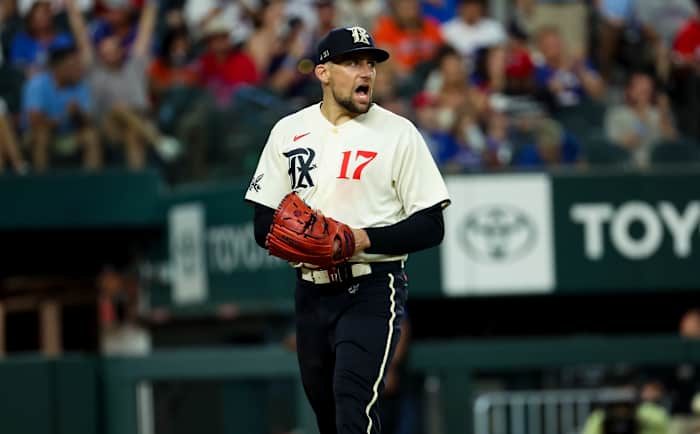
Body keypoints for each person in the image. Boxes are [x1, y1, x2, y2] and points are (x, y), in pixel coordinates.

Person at [244, 26, 450, 434]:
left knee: (352, 407)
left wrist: (362, 239)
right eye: (353, 62)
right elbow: (263, 224)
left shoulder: (398, 133)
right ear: (323, 72)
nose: (366, 72)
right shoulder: (288, 131)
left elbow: (431, 225)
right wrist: (308, 245)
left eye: (370, 64)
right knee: (328, 418)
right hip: (310, 290)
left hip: (372, 287)